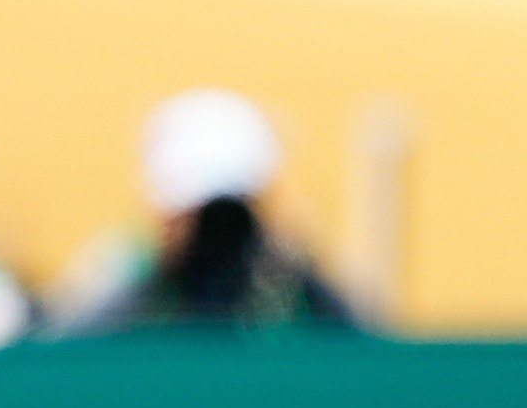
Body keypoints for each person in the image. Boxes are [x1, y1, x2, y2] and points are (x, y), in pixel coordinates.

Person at [60, 89, 355, 334]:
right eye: (190, 212)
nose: (215, 230)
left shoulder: (291, 293)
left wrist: (294, 268)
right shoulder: (119, 274)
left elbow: (359, 346)